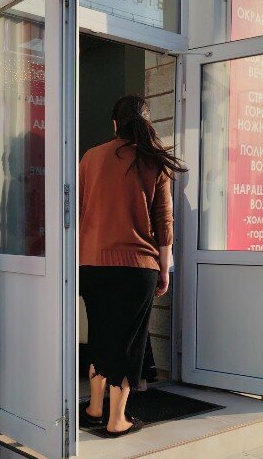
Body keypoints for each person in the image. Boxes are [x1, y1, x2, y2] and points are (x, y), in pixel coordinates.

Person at [79, 95, 185, 437]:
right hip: (136, 267)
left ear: (115, 124)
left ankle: (95, 409)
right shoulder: (153, 161)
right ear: (146, 123)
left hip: (91, 264)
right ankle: (117, 420)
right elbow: (164, 222)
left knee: (99, 335)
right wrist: (164, 269)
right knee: (129, 343)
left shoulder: (90, 157)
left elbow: (76, 210)